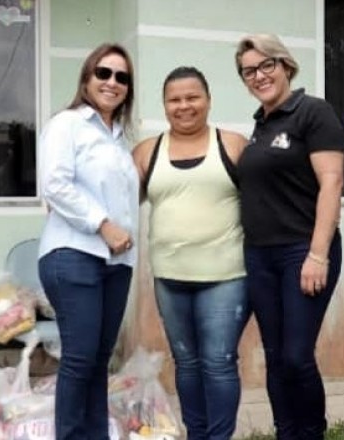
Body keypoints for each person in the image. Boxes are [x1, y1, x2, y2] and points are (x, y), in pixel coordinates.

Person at [234, 34, 344, 439]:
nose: (259, 75)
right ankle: (288, 432)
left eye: (267, 65)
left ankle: (311, 433)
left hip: (303, 251)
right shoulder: (259, 126)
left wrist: (317, 255)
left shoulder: (312, 112)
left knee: (297, 356)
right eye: (250, 70)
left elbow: (332, 183)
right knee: (276, 357)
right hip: (260, 256)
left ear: (286, 66)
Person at [132, 66, 249, 440]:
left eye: (192, 97)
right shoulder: (147, 151)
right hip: (169, 277)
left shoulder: (232, 145)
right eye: (175, 99)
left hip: (226, 276)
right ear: (165, 105)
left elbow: (264, 204)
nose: (184, 106)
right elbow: (118, 204)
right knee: (186, 363)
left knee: (218, 363)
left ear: (208, 100)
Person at [37, 43, 138, 440]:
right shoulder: (67, 124)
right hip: (74, 254)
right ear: (86, 78)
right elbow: (55, 184)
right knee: (80, 360)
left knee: (98, 361)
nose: (112, 82)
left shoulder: (117, 138)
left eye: (122, 77)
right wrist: (104, 225)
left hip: (116, 264)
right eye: (104, 73)